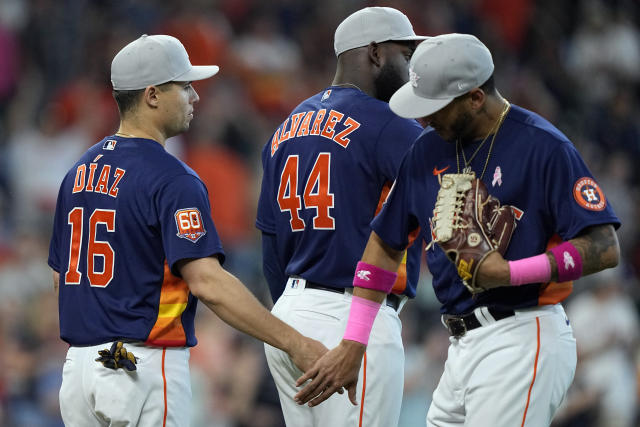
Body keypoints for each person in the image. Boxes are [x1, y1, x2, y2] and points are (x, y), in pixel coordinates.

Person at [295, 33, 621, 427]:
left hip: (522, 333)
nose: (423, 118)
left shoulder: (544, 147)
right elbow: (384, 244)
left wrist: (513, 272)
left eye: (435, 107)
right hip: (460, 344)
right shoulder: (425, 149)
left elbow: (604, 245)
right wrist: (354, 341)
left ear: (475, 97)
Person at [47, 34, 325, 427]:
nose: (195, 95)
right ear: (153, 95)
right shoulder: (172, 177)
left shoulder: (78, 171)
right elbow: (207, 283)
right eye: (185, 85)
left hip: (79, 372)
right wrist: (294, 342)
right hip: (140, 365)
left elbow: (62, 280)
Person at [255, 7, 426, 427]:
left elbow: (271, 247)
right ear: (374, 53)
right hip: (352, 319)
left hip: (290, 315)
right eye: (404, 55)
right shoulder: (392, 123)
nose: (410, 69)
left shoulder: (285, 128)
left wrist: (294, 316)